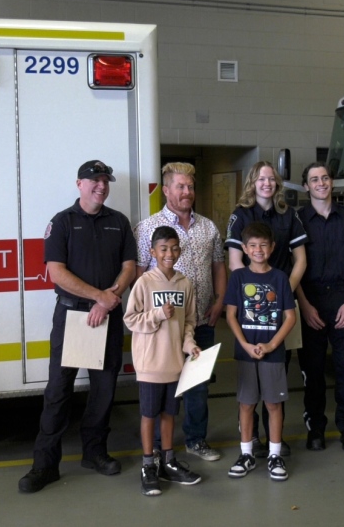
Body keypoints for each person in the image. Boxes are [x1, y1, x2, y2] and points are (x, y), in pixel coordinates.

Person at [18, 160, 136, 493]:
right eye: (94, 180)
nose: (101, 185)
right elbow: (57, 272)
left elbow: (129, 265)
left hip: (107, 318)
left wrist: (108, 299)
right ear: (79, 184)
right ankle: (44, 465)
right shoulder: (63, 222)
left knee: (103, 391)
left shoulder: (119, 222)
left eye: (105, 180)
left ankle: (95, 453)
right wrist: (100, 297)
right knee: (58, 391)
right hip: (73, 317)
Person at [134, 162, 226, 462]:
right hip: (165, 328)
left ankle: (196, 440)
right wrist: (154, 315)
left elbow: (218, 266)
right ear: (167, 189)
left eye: (190, 187)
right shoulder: (148, 228)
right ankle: (161, 446)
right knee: (164, 388)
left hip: (202, 321)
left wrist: (219, 300)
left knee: (197, 385)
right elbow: (139, 277)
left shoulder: (208, 227)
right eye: (180, 187)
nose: (187, 192)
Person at [225, 161, 306, 457]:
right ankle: (251, 439)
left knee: (277, 372)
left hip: (278, 303)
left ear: (278, 183)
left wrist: (280, 289)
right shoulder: (240, 215)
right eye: (261, 179)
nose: (267, 183)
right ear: (252, 182)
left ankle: (274, 439)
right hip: (248, 305)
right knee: (248, 384)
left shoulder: (289, 215)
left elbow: (300, 260)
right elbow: (235, 262)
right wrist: (251, 290)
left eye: (272, 179)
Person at [124, 226, 203, 496]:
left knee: (170, 414)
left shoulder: (185, 283)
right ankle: (148, 465)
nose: (169, 254)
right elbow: (130, 319)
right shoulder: (144, 283)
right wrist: (157, 314)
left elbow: (189, 322)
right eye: (163, 249)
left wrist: (189, 344)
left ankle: (168, 462)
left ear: (180, 250)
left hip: (175, 364)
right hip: (150, 365)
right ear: (153, 252)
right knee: (149, 415)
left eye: (174, 248)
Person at [294, 162, 344, 452]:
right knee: (313, 372)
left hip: (343, 298)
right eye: (314, 179)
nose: (320, 183)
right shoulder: (297, 220)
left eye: (325, 178)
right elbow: (294, 267)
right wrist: (305, 306)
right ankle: (316, 429)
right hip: (309, 301)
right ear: (306, 186)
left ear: (332, 183)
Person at [224, 222, 296, 481]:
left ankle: (275, 454)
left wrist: (271, 345)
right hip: (246, 352)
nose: (258, 250)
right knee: (246, 404)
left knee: (273, 404)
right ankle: (246, 454)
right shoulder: (238, 277)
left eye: (263, 245)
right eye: (252, 245)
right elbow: (231, 315)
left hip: (272, 353)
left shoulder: (279, 278)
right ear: (244, 248)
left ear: (272, 247)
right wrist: (244, 344)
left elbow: (289, 317)